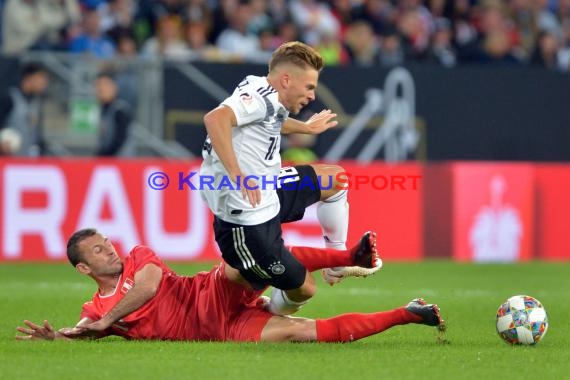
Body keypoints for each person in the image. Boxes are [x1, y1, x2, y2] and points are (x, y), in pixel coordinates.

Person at [199, 41, 381, 316]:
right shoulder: (258, 96)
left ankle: (337, 260)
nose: (311, 95)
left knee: (335, 180)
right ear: (286, 79)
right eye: (309, 87)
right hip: (246, 222)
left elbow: (270, 119)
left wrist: (306, 128)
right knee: (304, 289)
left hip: (267, 189)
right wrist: (237, 175)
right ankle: (267, 315)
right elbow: (215, 119)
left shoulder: (262, 89)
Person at [15, 228, 445, 342]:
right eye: (97, 251)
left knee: (247, 262)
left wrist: (105, 320)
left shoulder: (139, 258)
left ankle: (349, 256)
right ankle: (409, 313)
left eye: (107, 243)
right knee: (300, 333)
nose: (109, 251)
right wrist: (60, 337)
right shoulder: (95, 312)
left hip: (208, 292)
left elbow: (145, 288)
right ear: (83, 269)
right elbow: (83, 331)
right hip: (218, 330)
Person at [0, 62, 49, 157]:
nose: (44, 83)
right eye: (41, 78)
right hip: (7, 161)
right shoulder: (9, 99)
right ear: (29, 78)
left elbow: (37, 133)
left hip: (28, 161)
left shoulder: (37, 102)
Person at [94, 71, 133, 156]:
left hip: (119, 163)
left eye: (105, 85)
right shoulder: (104, 110)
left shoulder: (120, 110)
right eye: (98, 85)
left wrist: (104, 156)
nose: (101, 89)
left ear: (114, 87)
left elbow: (120, 140)